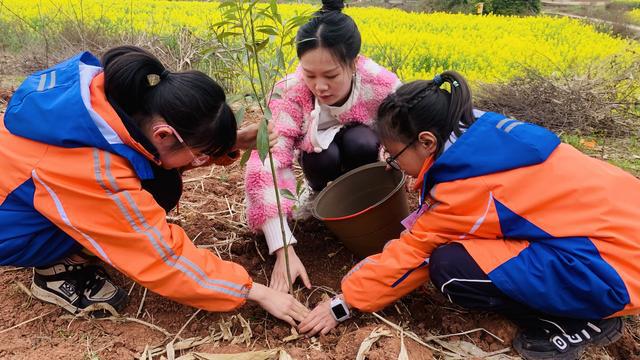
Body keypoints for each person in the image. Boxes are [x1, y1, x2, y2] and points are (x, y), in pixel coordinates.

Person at [299, 71, 640, 360]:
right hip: (621, 226)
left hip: (616, 270)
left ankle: (579, 321)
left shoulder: (466, 188)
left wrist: (344, 303)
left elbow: (412, 254)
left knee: (450, 269)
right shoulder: (482, 133)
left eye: (394, 155)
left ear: (427, 142)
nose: (393, 164)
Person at [0, 45, 308, 326]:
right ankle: (57, 269)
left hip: (22, 194)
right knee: (150, 194)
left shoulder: (99, 98)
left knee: (161, 181)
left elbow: (151, 157)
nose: (201, 160)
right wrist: (255, 291)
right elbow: (160, 256)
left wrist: (229, 143)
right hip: (10, 230)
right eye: (199, 154)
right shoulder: (93, 171)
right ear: (163, 134)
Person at [244, 0, 401, 293]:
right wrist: (283, 248)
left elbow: (407, 133)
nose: (320, 86)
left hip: (366, 156)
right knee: (322, 155)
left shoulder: (379, 85)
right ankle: (318, 195)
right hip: (320, 158)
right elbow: (267, 163)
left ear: (354, 64)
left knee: (361, 141)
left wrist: (391, 159)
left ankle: (364, 196)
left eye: (330, 76)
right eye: (309, 74)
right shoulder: (289, 92)